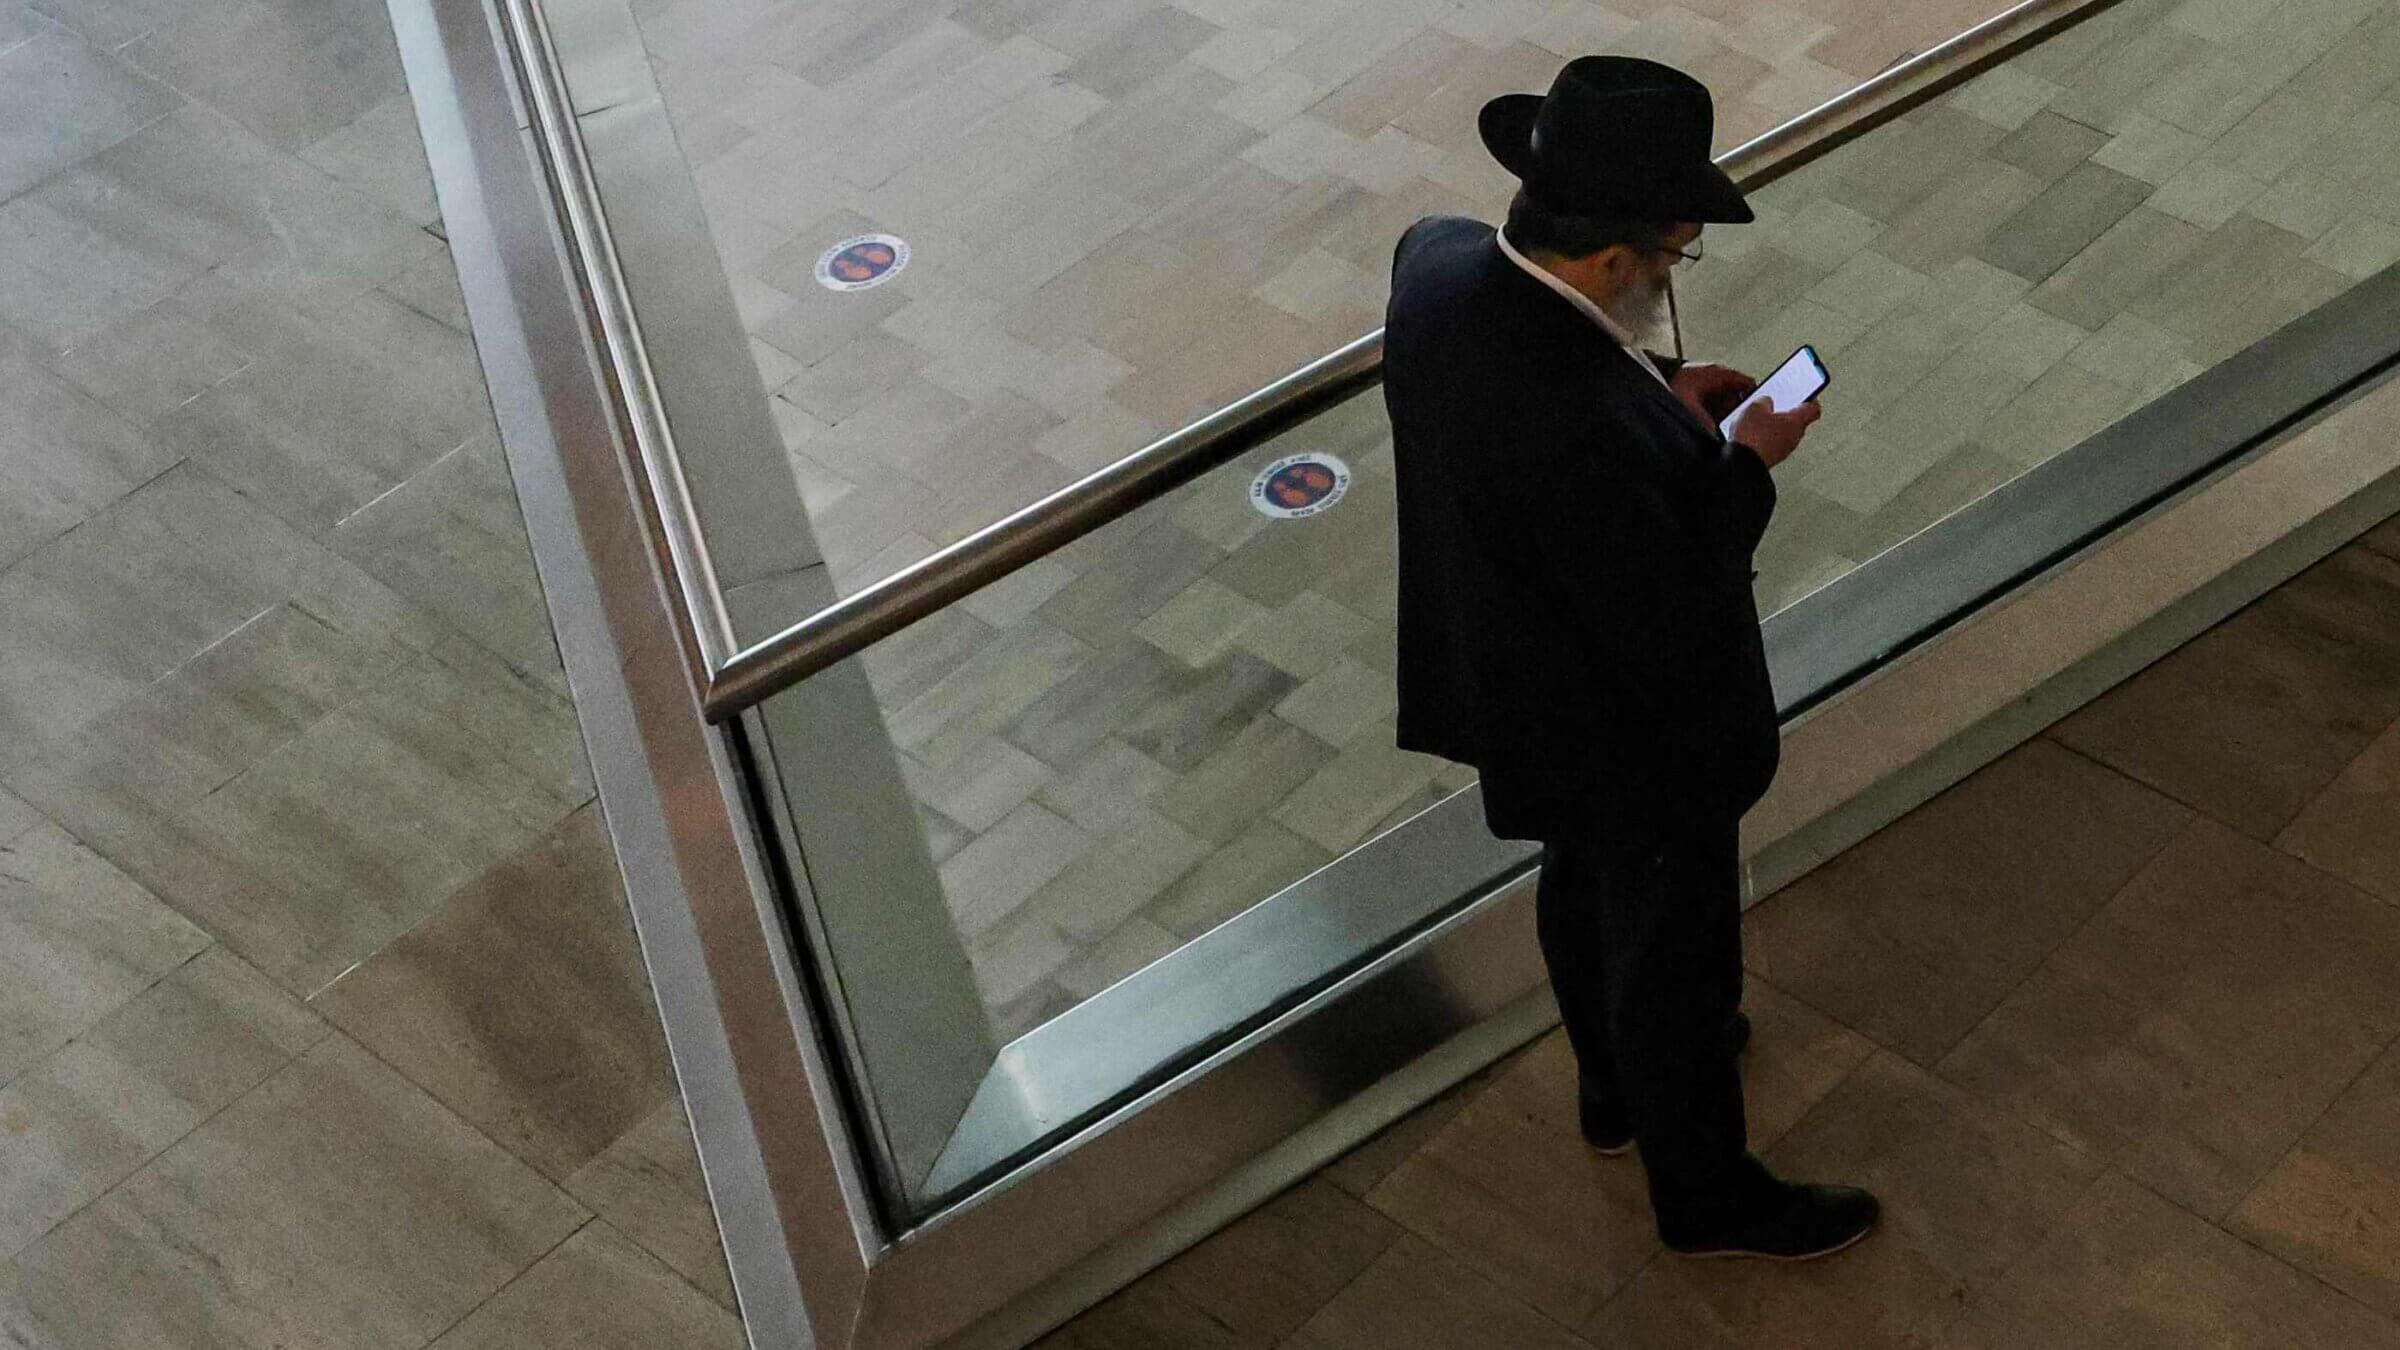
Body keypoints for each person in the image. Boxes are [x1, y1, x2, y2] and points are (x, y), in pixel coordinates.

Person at [1383, 54, 1879, 1260]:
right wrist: (1748, 455)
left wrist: (1661, 389)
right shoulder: (1573, 424)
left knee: (1579, 883)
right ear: (1613, 262)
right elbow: (1672, 592)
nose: (1671, 274)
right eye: (1668, 256)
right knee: (1678, 966)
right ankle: (1706, 1195)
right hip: (1637, 733)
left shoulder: (1438, 264)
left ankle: (1610, 1091)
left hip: (1525, 697)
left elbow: (1548, 375)